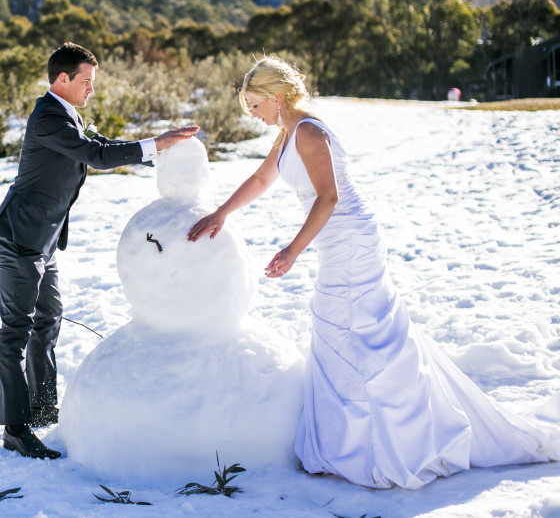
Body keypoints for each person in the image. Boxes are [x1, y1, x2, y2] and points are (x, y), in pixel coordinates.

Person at [188, 56, 559, 489]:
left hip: (349, 239)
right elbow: (261, 180)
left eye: (254, 104)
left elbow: (328, 198)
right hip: (335, 239)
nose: (251, 113)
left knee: (354, 329)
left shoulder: (307, 131)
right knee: (340, 328)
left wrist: (292, 249)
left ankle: (391, 445)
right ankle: (352, 442)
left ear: (275, 97)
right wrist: (222, 213)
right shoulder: (287, 133)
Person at [0, 42, 199, 460]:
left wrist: (157, 149)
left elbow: (100, 142)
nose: (91, 90)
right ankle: (15, 427)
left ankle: (42, 406)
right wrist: (154, 143)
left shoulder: (68, 115)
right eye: (86, 82)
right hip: (21, 236)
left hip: (44, 238)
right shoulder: (48, 117)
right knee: (16, 329)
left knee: (47, 320)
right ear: (62, 79)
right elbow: (96, 155)